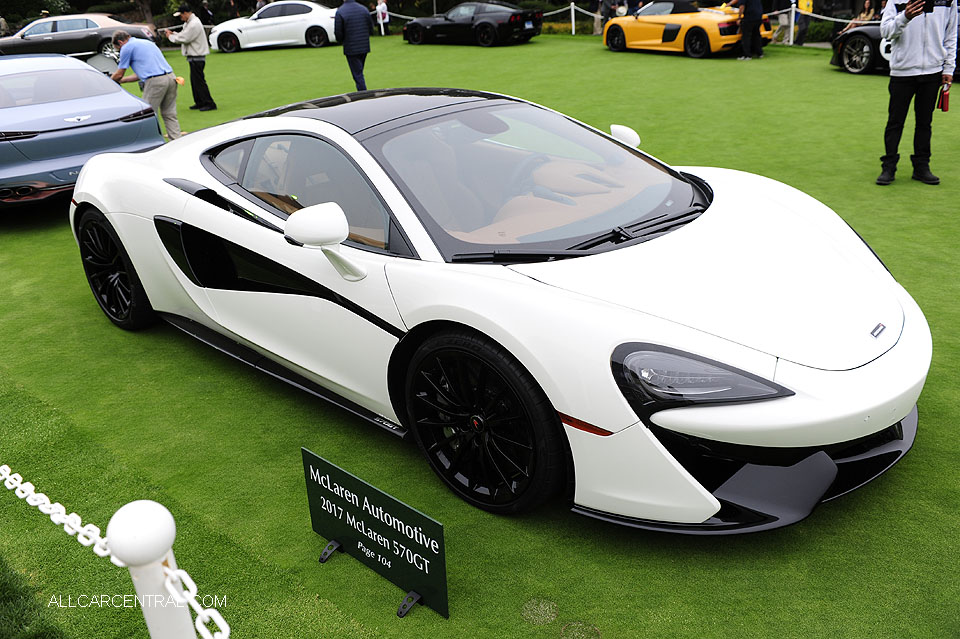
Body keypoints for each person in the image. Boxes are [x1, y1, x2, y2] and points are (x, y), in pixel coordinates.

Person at [876, 0, 957, 184]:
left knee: (924, 123)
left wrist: (948, 69)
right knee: (895, 122)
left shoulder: (948, 1)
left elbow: (951, 35)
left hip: (933, 71)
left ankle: (921, 167)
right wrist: (905, 16)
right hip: (902, 71)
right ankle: (889, 167)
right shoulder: (895, 0)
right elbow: (885, 31)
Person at [110, 30, 181, 140]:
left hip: (155, 82)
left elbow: (119, 74)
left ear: (120, 42)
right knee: (169, 113)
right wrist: (122, 80)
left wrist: (109, 80)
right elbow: (139, 75)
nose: (120, 51)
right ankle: (177, 141)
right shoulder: (147, 43)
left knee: (147, 115)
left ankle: (152, 143)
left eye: (118, 49)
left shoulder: (126, 47)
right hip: (171, 77)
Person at [164, 4, 216, 111]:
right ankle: (200, 102)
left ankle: (209, 103)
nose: (181, 18)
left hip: (197, 56)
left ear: (186, 13)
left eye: (181, 15)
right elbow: (184, 34)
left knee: (199, 81)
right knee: (195, 81)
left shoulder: (194, 24)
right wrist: (174, 33)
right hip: (193, 57)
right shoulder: (189, 23)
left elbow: (185, 38)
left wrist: (170, 36)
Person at [335, 0, 374, 92]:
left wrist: (341, 40)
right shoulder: (363, 9)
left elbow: (338, 32)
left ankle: (363, 94)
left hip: (351, 47)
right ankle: (362, 91)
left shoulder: (341, 11)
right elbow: (370, 27)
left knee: (357, 73)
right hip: (364, 45)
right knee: (359, 71)